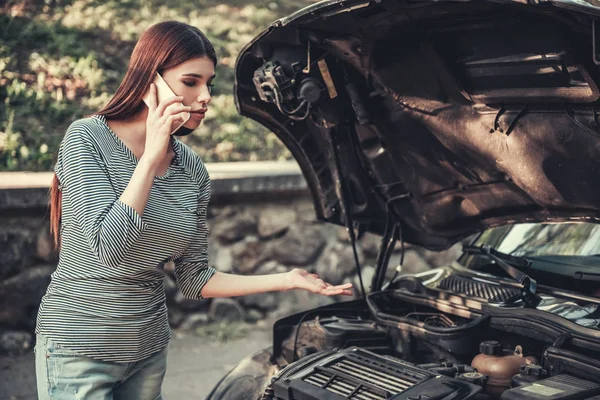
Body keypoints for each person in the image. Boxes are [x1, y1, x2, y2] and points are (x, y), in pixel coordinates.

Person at [36, 20, 353, 400]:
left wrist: (287, 278)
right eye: (191, 82)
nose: (205, 96)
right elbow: (109, 249)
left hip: (147, 353)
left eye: (209, 84)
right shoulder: (87, 138)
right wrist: (151, 158)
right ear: (150, 82)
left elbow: (194, 278)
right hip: (80, 351)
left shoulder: (192, 170)